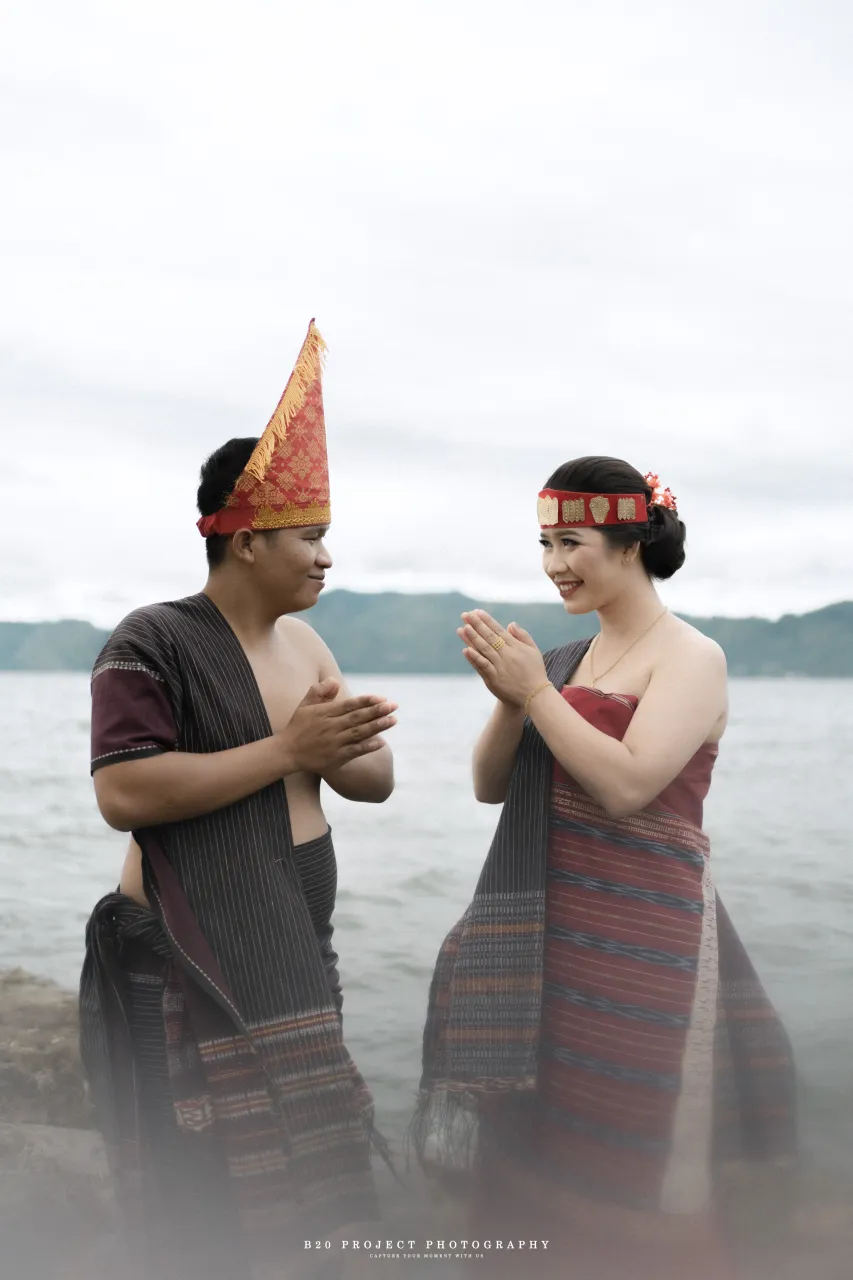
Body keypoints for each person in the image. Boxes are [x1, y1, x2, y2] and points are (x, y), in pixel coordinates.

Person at [410, 457, 796, 1280]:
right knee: (532, 1139)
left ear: (630, 544)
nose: (553, 564)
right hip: (544, 938)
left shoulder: (691, 657)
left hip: (642, 946)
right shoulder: (559, 659)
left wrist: (535, 696)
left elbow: (626, 787)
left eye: (570, 543)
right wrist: (512, 697)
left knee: (633, 1144)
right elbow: (489, 786)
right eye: (544, 544)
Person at [80, 321, 398, 1280]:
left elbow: (373, 782)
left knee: (314, 1185)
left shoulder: (308, 647)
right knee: (203, 1193)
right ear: (250, 539)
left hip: (295, 944)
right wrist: (288, 749)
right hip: (191, 955)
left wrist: (342, 747)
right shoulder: (154, 639)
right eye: (311, 537)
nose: (327, 558)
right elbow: (124, 789)